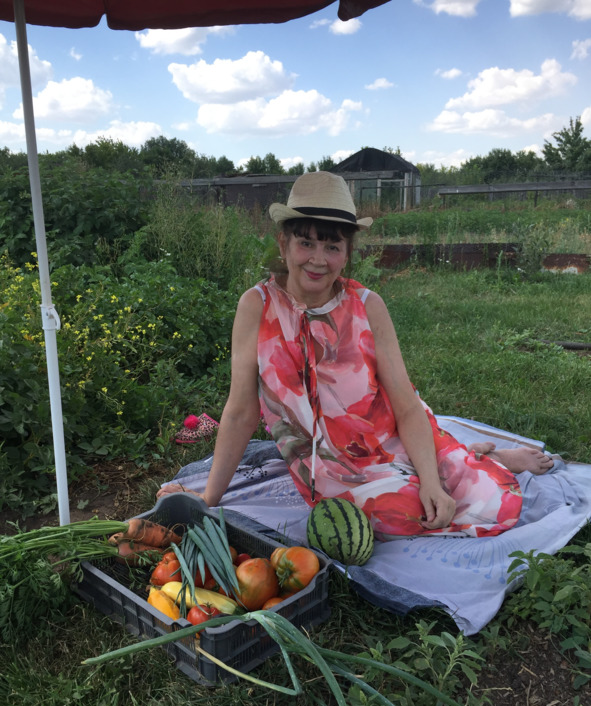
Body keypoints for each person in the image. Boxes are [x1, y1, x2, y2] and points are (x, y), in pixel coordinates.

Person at [158, 171, 553, 538]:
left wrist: (431, 482)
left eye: (332, 246)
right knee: (396, 513)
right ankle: (463, 457)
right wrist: (209, 497)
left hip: (389, 435)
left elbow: (405, 403)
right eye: (306, 243)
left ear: (347, 253)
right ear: (283, 244)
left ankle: (480, 458)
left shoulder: (367, 306)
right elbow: (241, 410)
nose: (318, 259)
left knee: (484, 503)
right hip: (327, 467)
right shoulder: (256, 306)